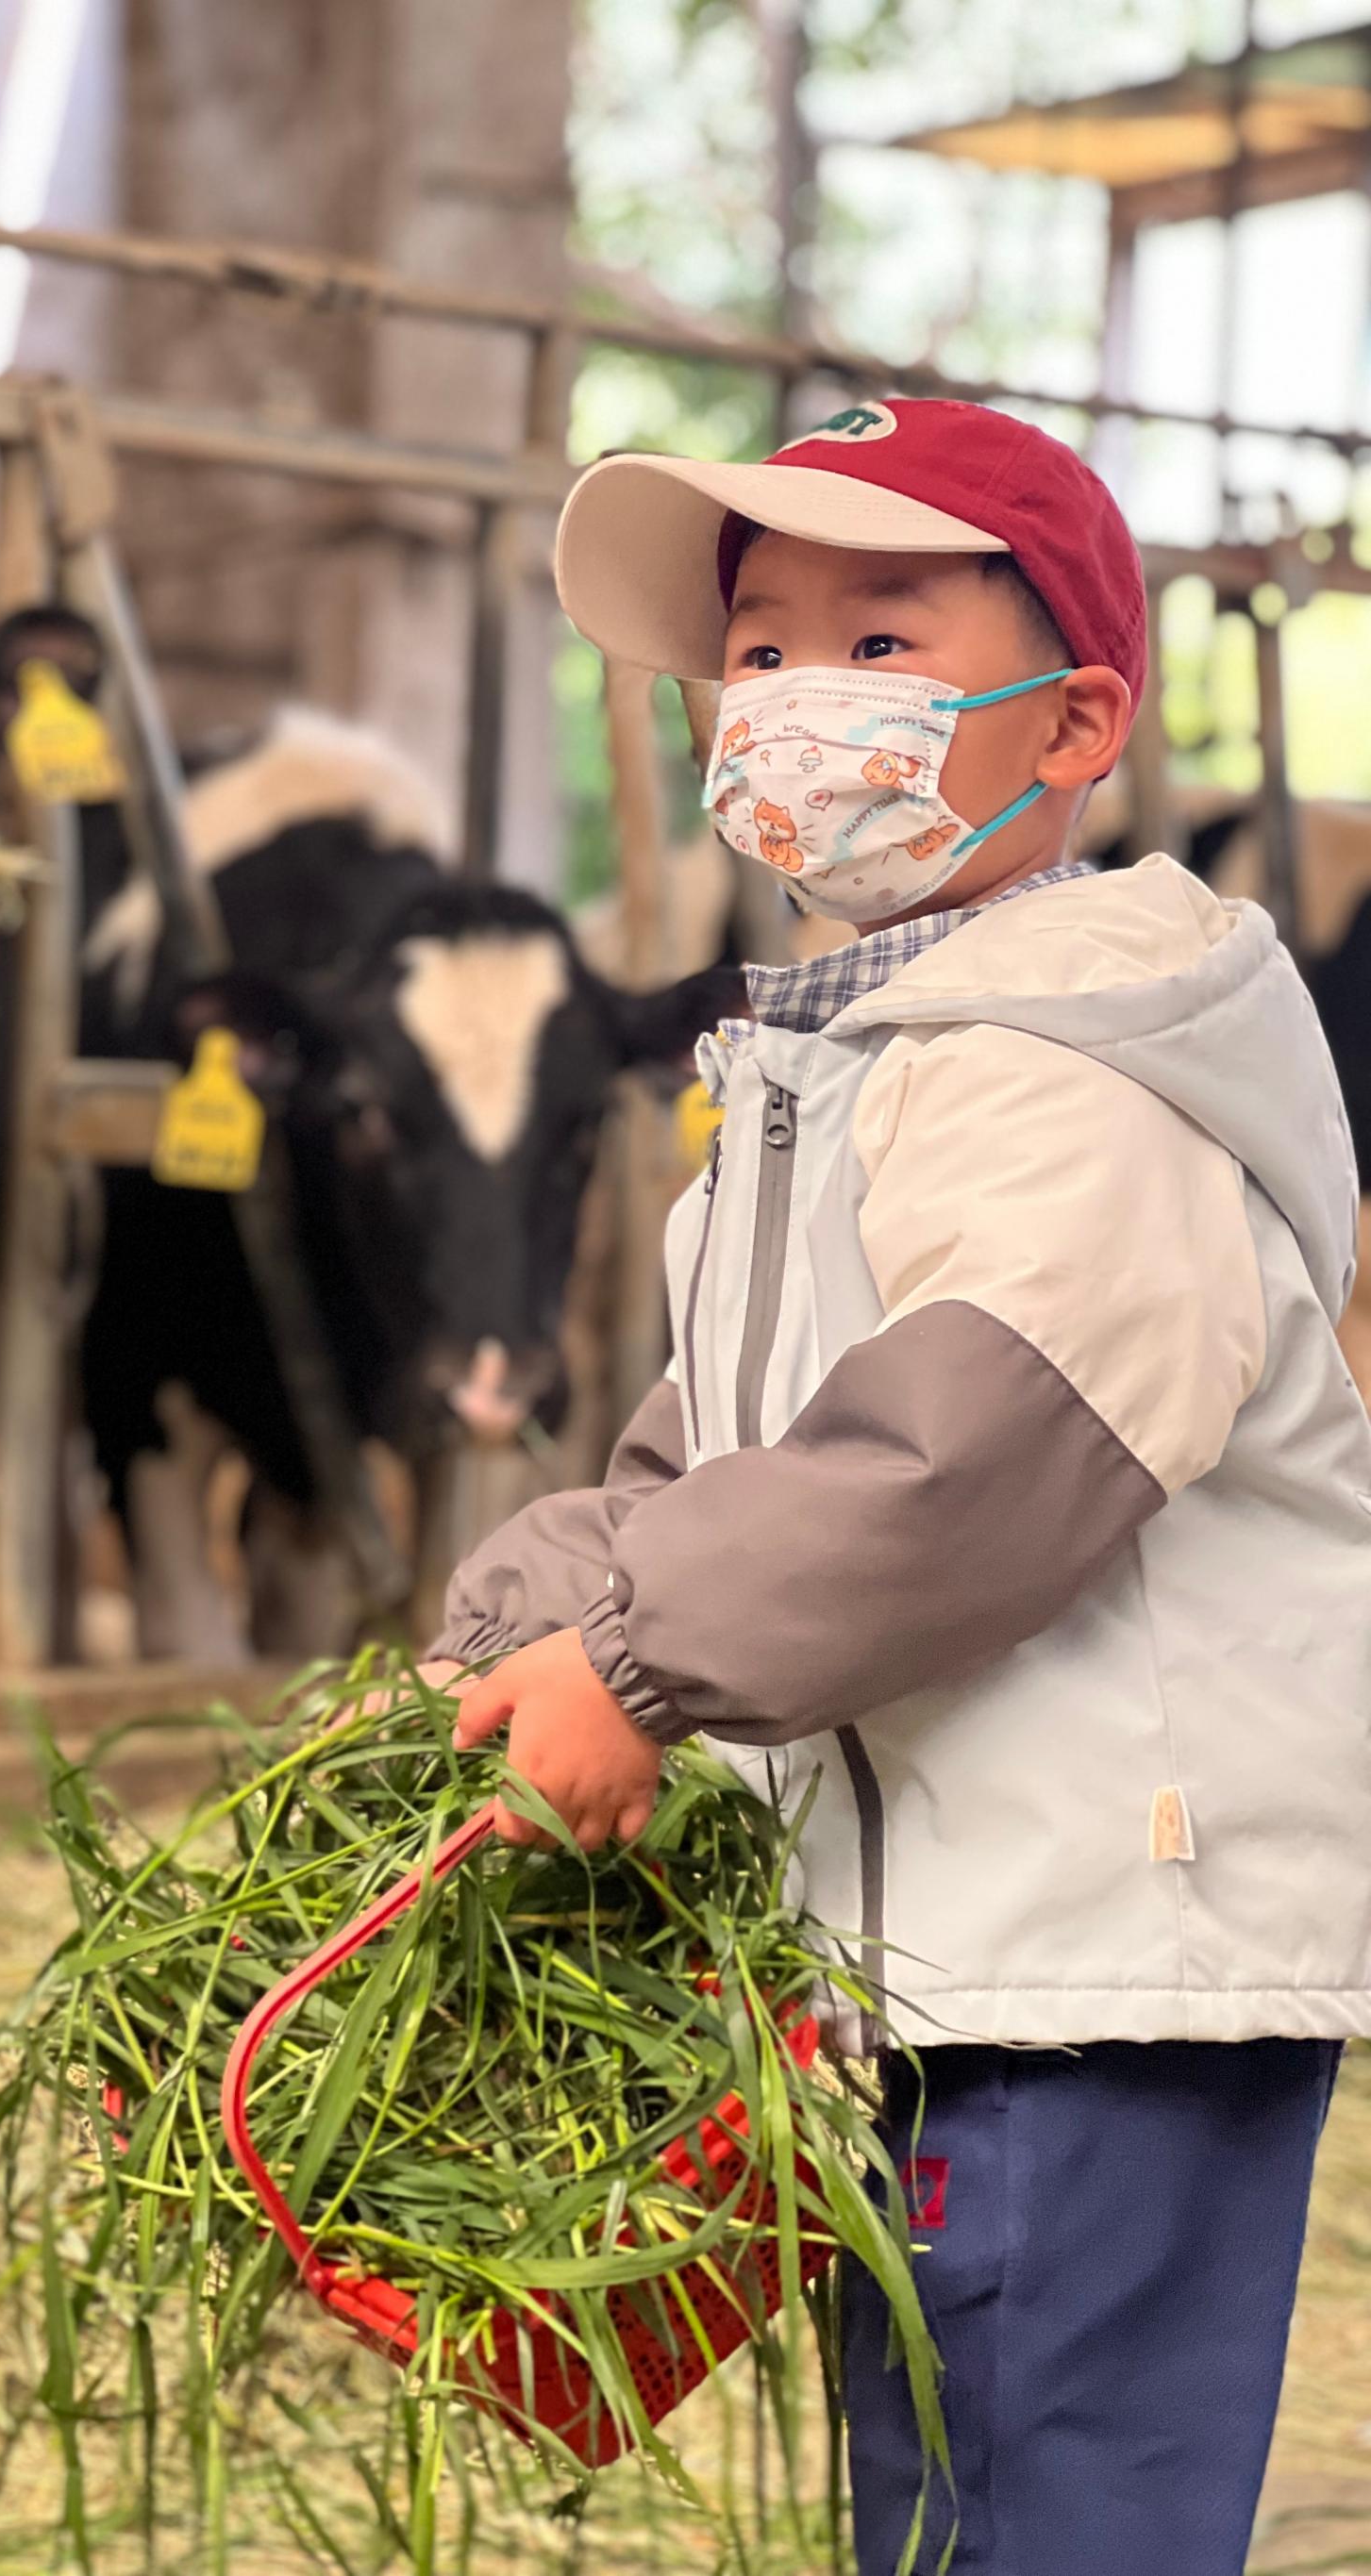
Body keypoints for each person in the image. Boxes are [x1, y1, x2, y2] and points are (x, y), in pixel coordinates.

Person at [417, 397, 1371, 2575]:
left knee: (1040, 2493)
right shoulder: (834, 1070)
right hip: (962, 1937)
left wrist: (634, 1668)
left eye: (876, 640)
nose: (788, 701)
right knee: (953, 2474)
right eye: (756, 651)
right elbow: (711, 1461)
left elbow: (966, 1458)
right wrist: (508, 1638)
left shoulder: (1075, 1073)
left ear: (1077, 724)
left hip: (1100, 1941)